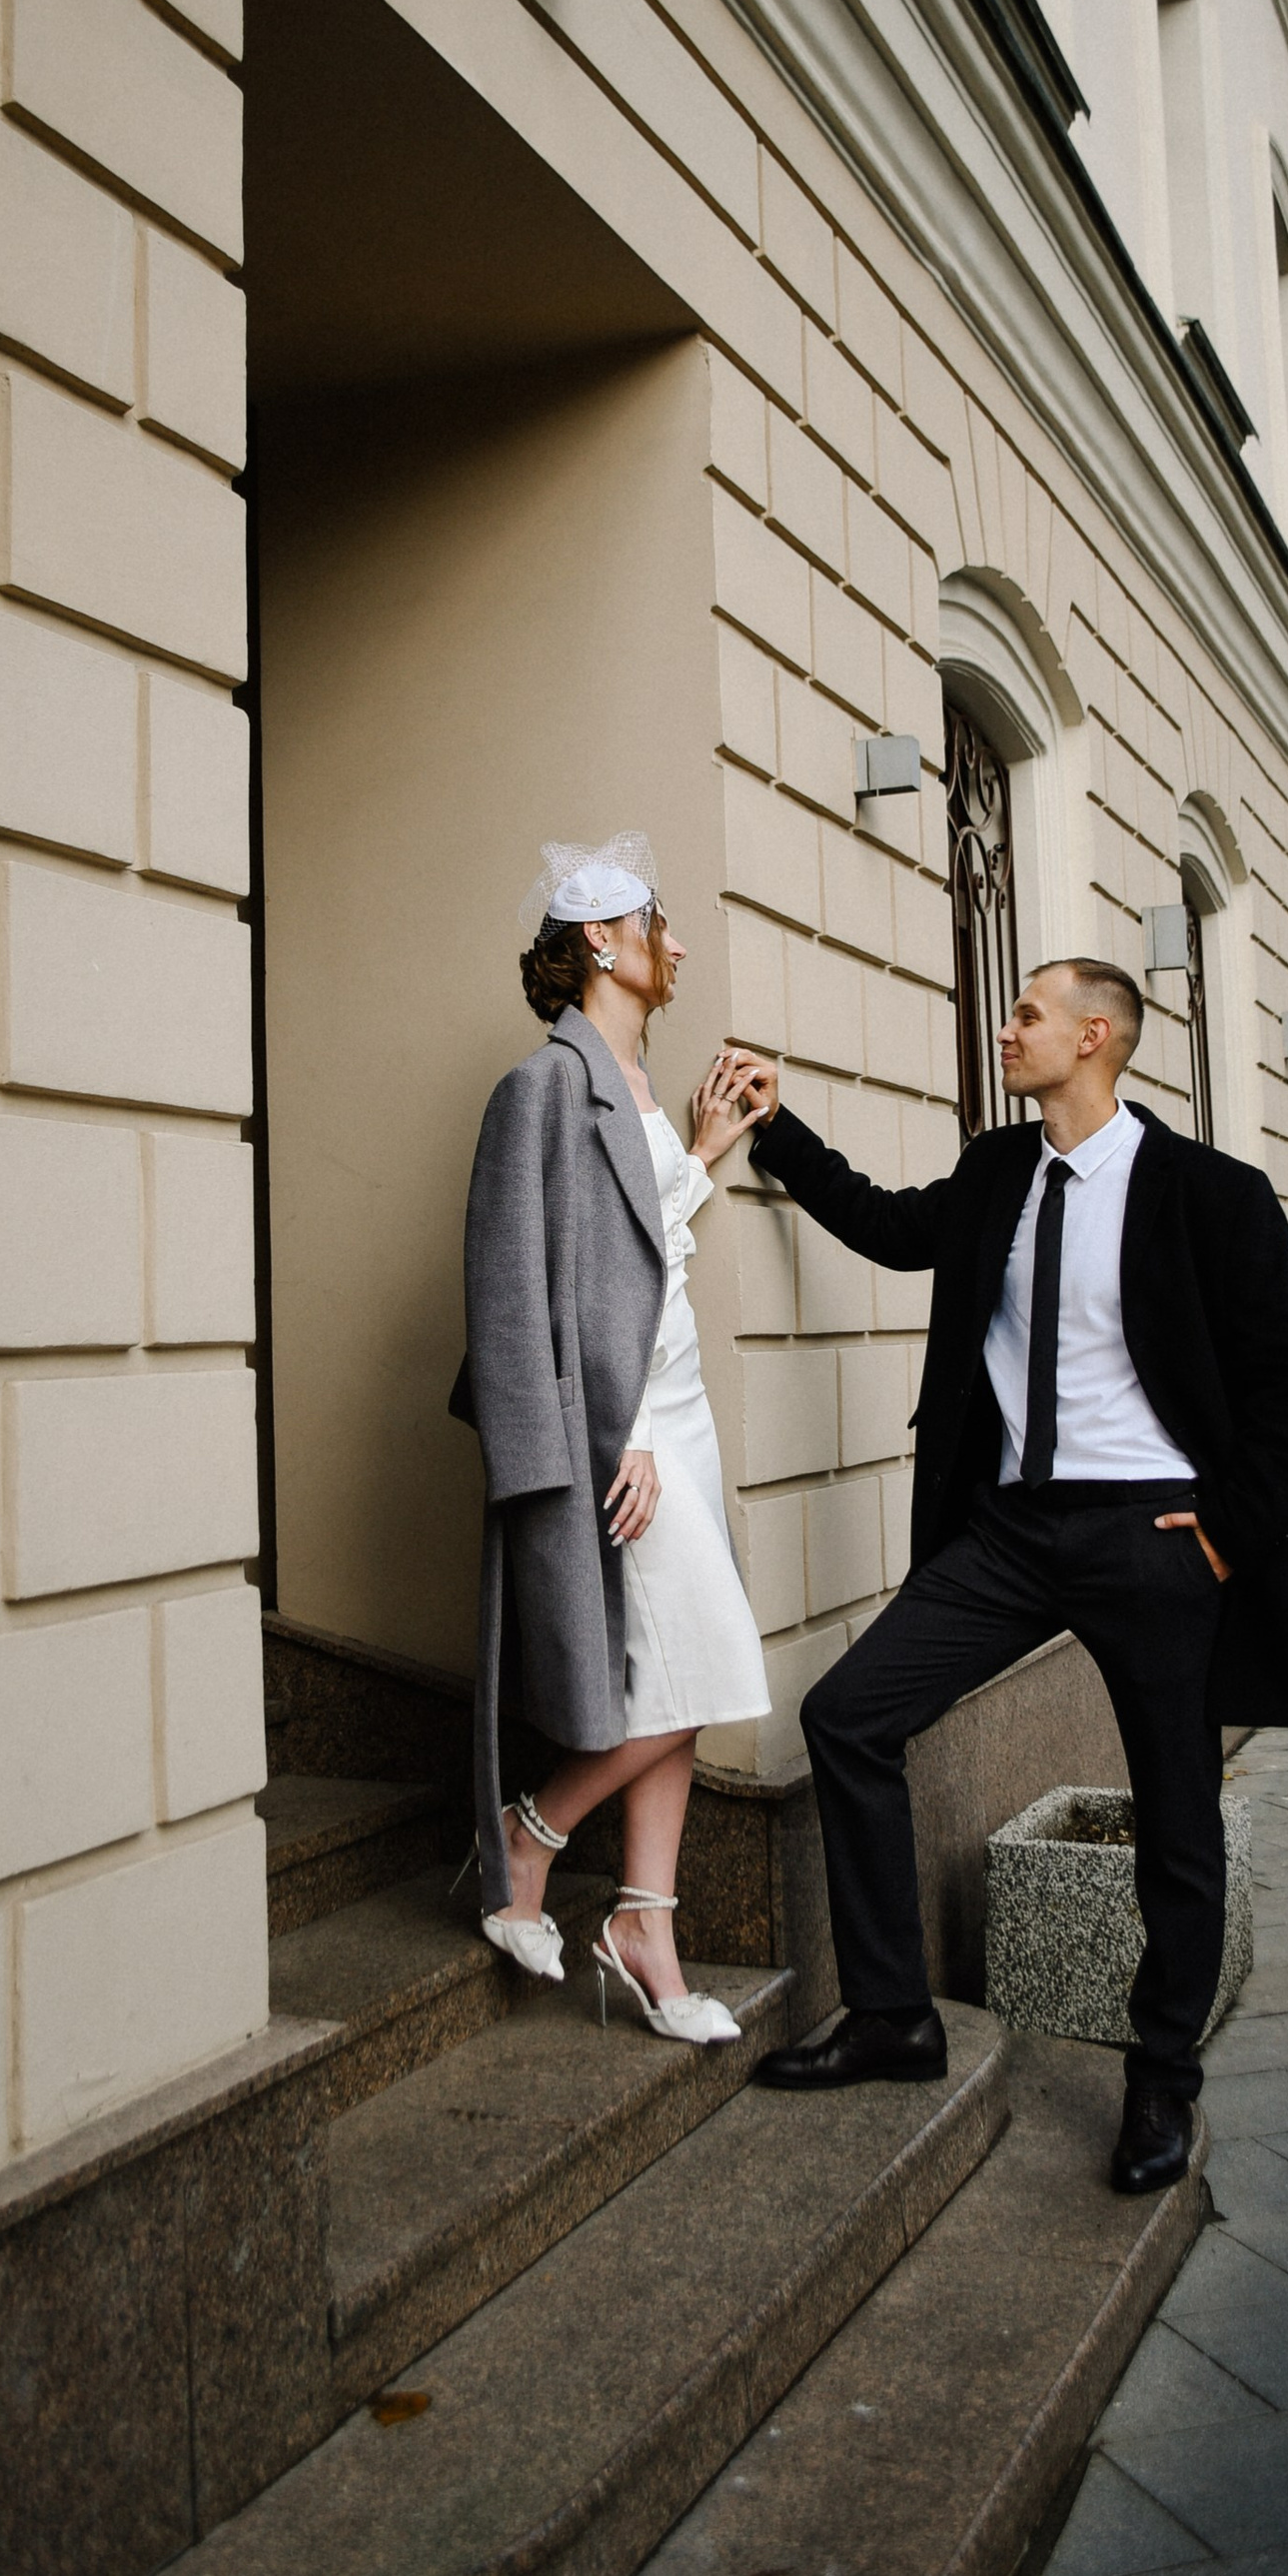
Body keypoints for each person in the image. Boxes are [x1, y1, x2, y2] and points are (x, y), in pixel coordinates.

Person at [720, 955, 1288, 2192]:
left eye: (1027, 1014)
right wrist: (774, 1129)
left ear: (1095, 1035)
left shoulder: (1207, 1193)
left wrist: (1222, 1531)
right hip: (1006, 1535)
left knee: (1175, 1815)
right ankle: (892, 2014)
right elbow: (890, 1226)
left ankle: (1160, 2077)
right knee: (848, 1716)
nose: (1006, 1029)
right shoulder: (998, 1170)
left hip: (1151, 1537)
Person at [453, 836, 774, 2043]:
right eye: (657, 924)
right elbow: (521, 1291)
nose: (676, 946)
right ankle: (527, 1837)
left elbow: (637, 1254)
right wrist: (614, 1434)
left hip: (679, 1413)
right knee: (708, 1662)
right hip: (625, 1426)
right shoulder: (540, 1087)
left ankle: (645, 1923)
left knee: (685, 1668)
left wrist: (699, 1155)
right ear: (601, 940)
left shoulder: (634, 1084)